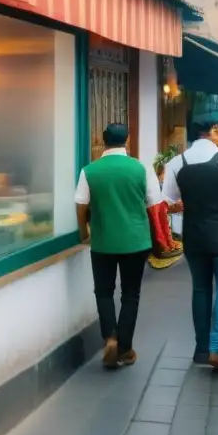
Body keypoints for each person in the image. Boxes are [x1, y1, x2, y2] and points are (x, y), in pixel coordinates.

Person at [162, 113, 218, 372]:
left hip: (194, 238)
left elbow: (167, 203)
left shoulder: (175, 163)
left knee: (201, 290)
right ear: (215, 130)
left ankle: (202, 349)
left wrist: (179, 206)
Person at [75, 123, 162, 367]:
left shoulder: (89, 171)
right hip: (136, 242)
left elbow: (81, 206)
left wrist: (84, 233)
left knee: (103, 291)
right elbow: (154, 205)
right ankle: (124, 348)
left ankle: (109, 337)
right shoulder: (141, 168)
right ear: (127, 139)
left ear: (103, 141)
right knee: (130, 294)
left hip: (102, 242)